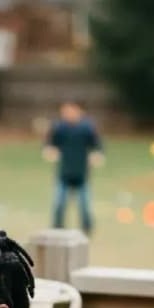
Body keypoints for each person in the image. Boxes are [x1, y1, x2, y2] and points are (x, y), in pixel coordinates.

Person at [43, 100, 104, 235]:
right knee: (59, 204)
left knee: (85, 206)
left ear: (79, 111)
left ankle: (87, 229)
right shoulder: (59, 128)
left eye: (71, 110)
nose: (68, 114)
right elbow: (49, 144)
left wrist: (97, 155)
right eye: (65, 111)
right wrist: (49, 151)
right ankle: (57, 229)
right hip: (63, 174)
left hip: (82, 174)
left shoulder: (87, 128)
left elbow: (98, 145)